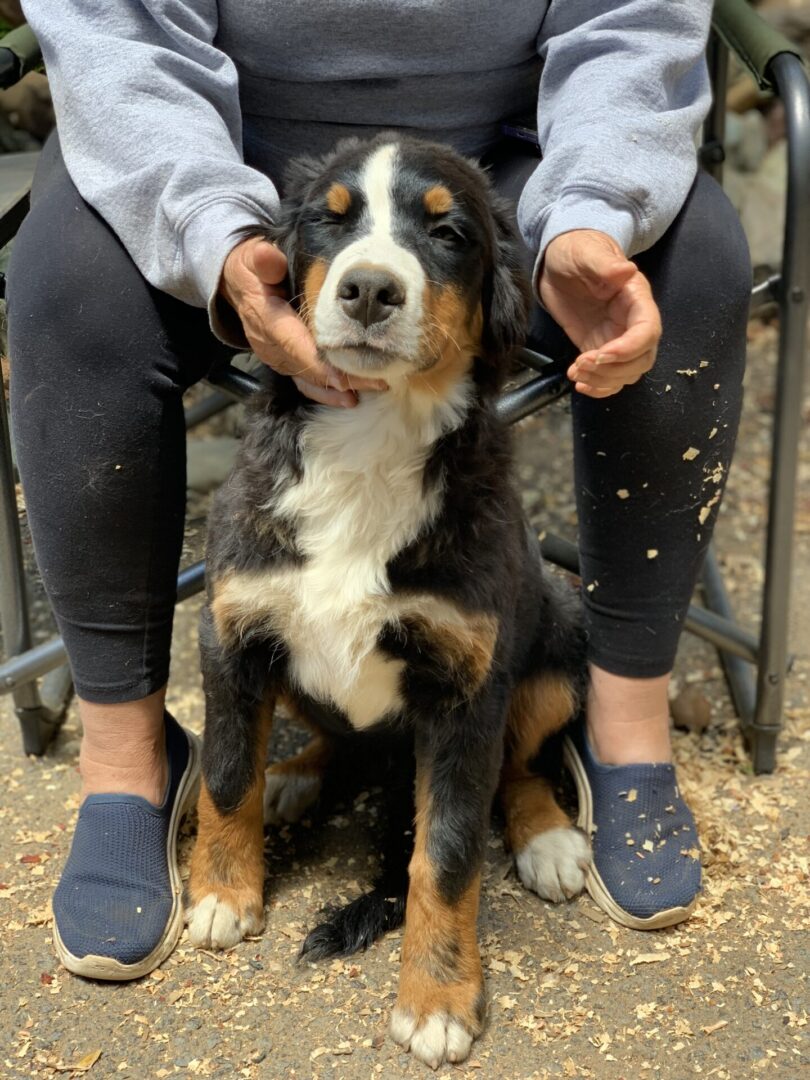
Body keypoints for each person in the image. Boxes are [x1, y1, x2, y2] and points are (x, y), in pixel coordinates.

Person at [9, 1, 750, 977]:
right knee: (66, 278)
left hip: (520, 156)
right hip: (216, 146)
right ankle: (128, 768)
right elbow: (124, 40)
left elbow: (627, 25)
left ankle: (616, 734)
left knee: (693, 259)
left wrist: (592, 206)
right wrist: (220, 229)